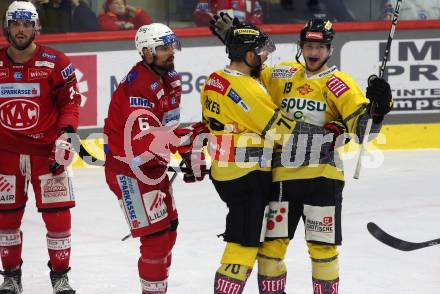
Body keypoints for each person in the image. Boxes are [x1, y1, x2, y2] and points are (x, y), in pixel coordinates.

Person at [210, 15, 393, 293]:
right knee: (270, 252)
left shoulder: (338, 83)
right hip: (282, 178)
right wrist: (236, 44)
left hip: (322, 178)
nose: (313, 53)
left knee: (323, 250)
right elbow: (249, 69)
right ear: (301, 46)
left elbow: (363, 131)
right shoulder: (282, 74)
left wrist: (378, 110)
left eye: (319, 48)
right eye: (308, 46)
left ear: (329, 49)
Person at [103, 23, 207, 294]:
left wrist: (187, 150)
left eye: (171, 46)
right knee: (156, 238)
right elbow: (146, 139)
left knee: (169, 230)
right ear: (146, 52)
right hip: (129, 170)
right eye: (163, 48)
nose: (170, 52)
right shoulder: (137, 87)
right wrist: (190, 142)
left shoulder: (170, 77)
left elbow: (168, 127)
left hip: (152, 168)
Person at [0, 1, 81, 294]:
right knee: (5, 218)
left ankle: (60, 276)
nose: (20, 30)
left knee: (58, 216)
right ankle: (10, 276)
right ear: (7, 27)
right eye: (15, 24)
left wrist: (66, 135)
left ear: (36, 27)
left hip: (47, 153)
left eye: (26, 24)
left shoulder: (55, 62)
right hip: (5, 154)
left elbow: (70, 104)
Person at [193, 0, 263, 27]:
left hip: (243, 37)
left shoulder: (250, 1)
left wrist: (245, 25)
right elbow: (199, 14)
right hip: (217, 39)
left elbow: (258, 15)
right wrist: (215, 21)